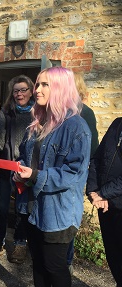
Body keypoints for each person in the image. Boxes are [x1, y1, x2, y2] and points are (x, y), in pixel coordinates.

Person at [12, 66, 91, 287]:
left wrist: (35, 176)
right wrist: (19, 171)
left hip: (58, 214)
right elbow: (27, 160)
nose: (37, 90)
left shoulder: (76, 127)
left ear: (60, 88)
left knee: (55, 268)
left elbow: (73, 173)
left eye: (45, 84)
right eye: (38, 84)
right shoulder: (38, 122)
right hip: (33, 208)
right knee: (38, 264)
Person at [0, 75, 35, 264]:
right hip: (7, 166)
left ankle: (20, 244)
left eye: (23, 90)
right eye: (16, 90)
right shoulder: (6, 112)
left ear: (31, 91)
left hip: (28, 168)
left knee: (23, 208)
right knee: (1, 207)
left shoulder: (38, 113)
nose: (19, 94)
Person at [66, 72, 99, 273]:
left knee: (68, 220)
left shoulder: (84, 113)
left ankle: (65, 267)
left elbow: (93, 149)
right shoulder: (55, 111)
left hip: (74, 174)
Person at [86, 117, 122, 287]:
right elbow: (97, 158)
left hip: (117, 205)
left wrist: (104, 193)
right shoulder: (117, 124)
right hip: (107, 207)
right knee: (115, 262)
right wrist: (93, 190)